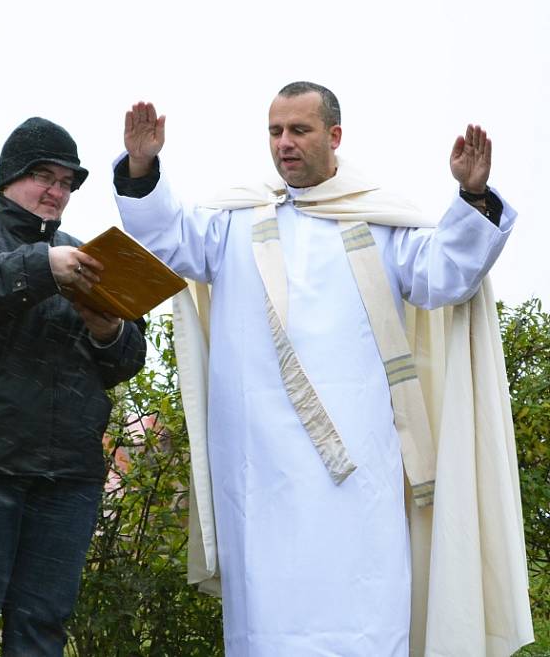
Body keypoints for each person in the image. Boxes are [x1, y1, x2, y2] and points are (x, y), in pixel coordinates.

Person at [113, 83, 532, 655]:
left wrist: (473, 197)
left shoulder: (379, 219)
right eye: (274, 131)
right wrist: (142, 168)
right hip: (259, 470)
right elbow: (166, 240)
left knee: (363, 607)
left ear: (334, 136)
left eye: (298, 131)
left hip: (359, 467)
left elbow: (446, 276)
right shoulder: (234, 219)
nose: (284, 144)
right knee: (267, 622)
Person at [0, 117, 147, 656]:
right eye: (44, 176)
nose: (57, 192)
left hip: (69, 478)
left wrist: (105, 327)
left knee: (44, 628)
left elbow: (127, 358)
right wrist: (43, 267)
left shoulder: (87, 253)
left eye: (67, 183)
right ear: (8, 178)